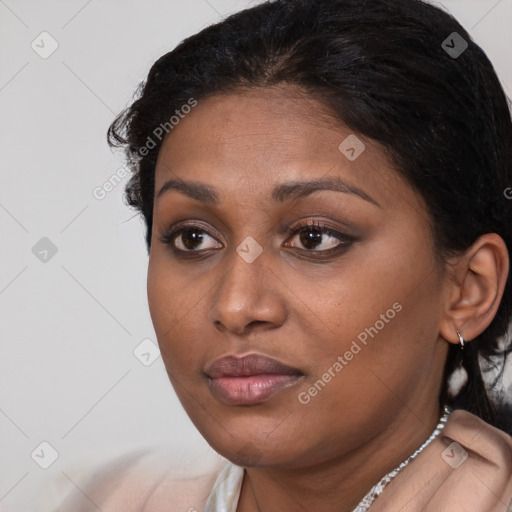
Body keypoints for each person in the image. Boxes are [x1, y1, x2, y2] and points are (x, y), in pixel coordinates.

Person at [54, 0, 512, 510]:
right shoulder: (108, 499)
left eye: (314, 238)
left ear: (469, 289)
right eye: (193, 238)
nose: (235, 307)